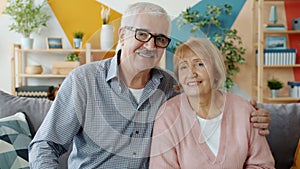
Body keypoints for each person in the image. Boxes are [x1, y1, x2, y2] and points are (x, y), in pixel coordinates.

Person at [29, 2, 271, 168]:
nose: (151, 45)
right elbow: (45, 145)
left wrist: (253, 115)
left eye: (160, 39)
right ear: (122, 35)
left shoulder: (171, 86)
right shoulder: (84, 81)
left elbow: (212, 102)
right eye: (142, 35)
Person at [149, 38, 275, 168]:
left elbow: (263, 165)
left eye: (199, 64)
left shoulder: (243, 110)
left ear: (216, 71)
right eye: (184, 66)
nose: (191, 73)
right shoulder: (168, 115)